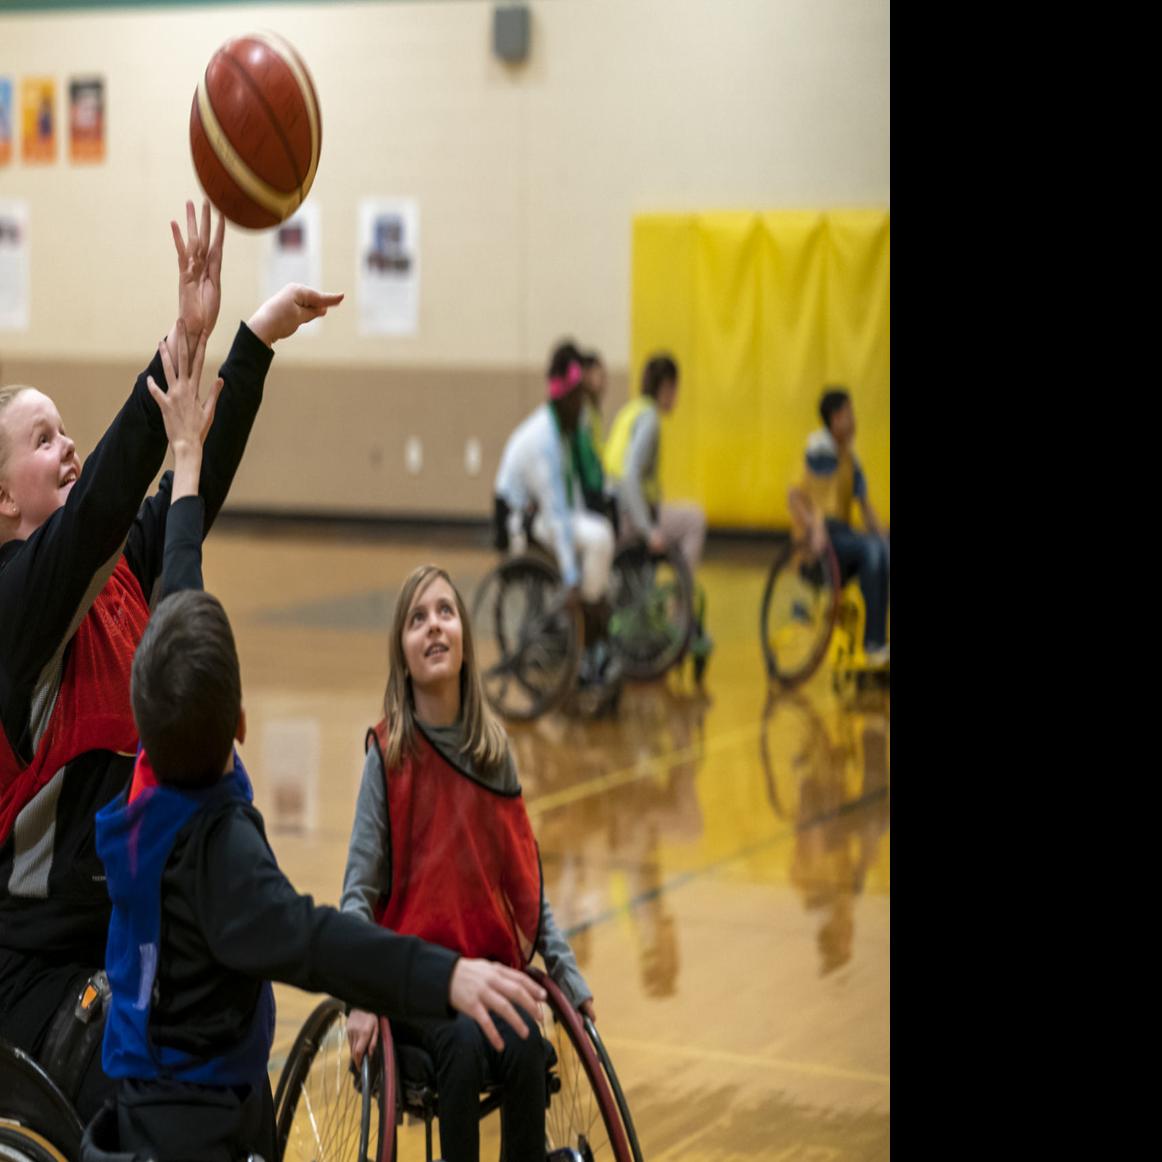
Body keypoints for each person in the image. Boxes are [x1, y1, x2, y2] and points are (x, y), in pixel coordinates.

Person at [77, 339, 547, 1162]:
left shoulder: (148, 780)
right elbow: (320, 939)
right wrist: (449, 976)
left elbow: (180, 574)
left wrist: (188, 457)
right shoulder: (222, 863)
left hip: (141, 1093)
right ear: (243, 725)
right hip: (205, 1121)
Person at [0, 198, 342, 1120]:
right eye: (43, 440)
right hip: (31, 968)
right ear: (0, 501)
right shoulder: (13, 608)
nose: (67, 446)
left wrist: (252, 341)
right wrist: (172, 347)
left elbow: (194, 473)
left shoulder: (114, 582)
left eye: (66, 431)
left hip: (124, 935)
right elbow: (109, 496)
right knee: (145, 1092)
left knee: (227, 1049)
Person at [341, 564, 595, 1162]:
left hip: (484, 975)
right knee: (459, 1044)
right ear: (402, 654)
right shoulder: (388, 754)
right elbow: (358, 894)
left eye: (445, 613)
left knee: (526, 1042)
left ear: (465, 640)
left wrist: (568, 977)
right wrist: (358, 995)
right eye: (417, 618)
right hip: (412, 980)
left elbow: (526, 889)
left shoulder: (494, 752)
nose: (434, 627)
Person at [493, 341, 617, 685]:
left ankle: (590, 618)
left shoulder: (563, 429)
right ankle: (584, 612)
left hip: (540, 512)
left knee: (598, 532)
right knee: (599, 537)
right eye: (578, 397)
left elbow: (571, 496)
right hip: (516, 519)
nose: (583, 404)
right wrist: (571, 578)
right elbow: (557, 512)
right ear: (565, 398)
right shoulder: (543, 440)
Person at [603, 353, 713, 672]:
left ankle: (659, 611)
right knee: (694, 519)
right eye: (675, 389)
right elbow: (630, 475)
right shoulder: (649, 420)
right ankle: (682, 612)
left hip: (614, 511)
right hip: (629, 516)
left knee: (675, 521)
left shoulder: (630, 412)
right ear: (666, 387)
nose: (676, 397)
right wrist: (649, 530)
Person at [787, 386, 889, 664]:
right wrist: (814, 527)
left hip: (843, 540)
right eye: (849, 413)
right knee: (872, 550)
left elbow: (866, 509)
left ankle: (878, 635)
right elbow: (794, 496)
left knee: (882, 549)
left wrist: (884, 534)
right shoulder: (816, 451)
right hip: (818, 546)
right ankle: (874, 643)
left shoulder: (849, 459)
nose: (854, 419)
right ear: (836, 418)